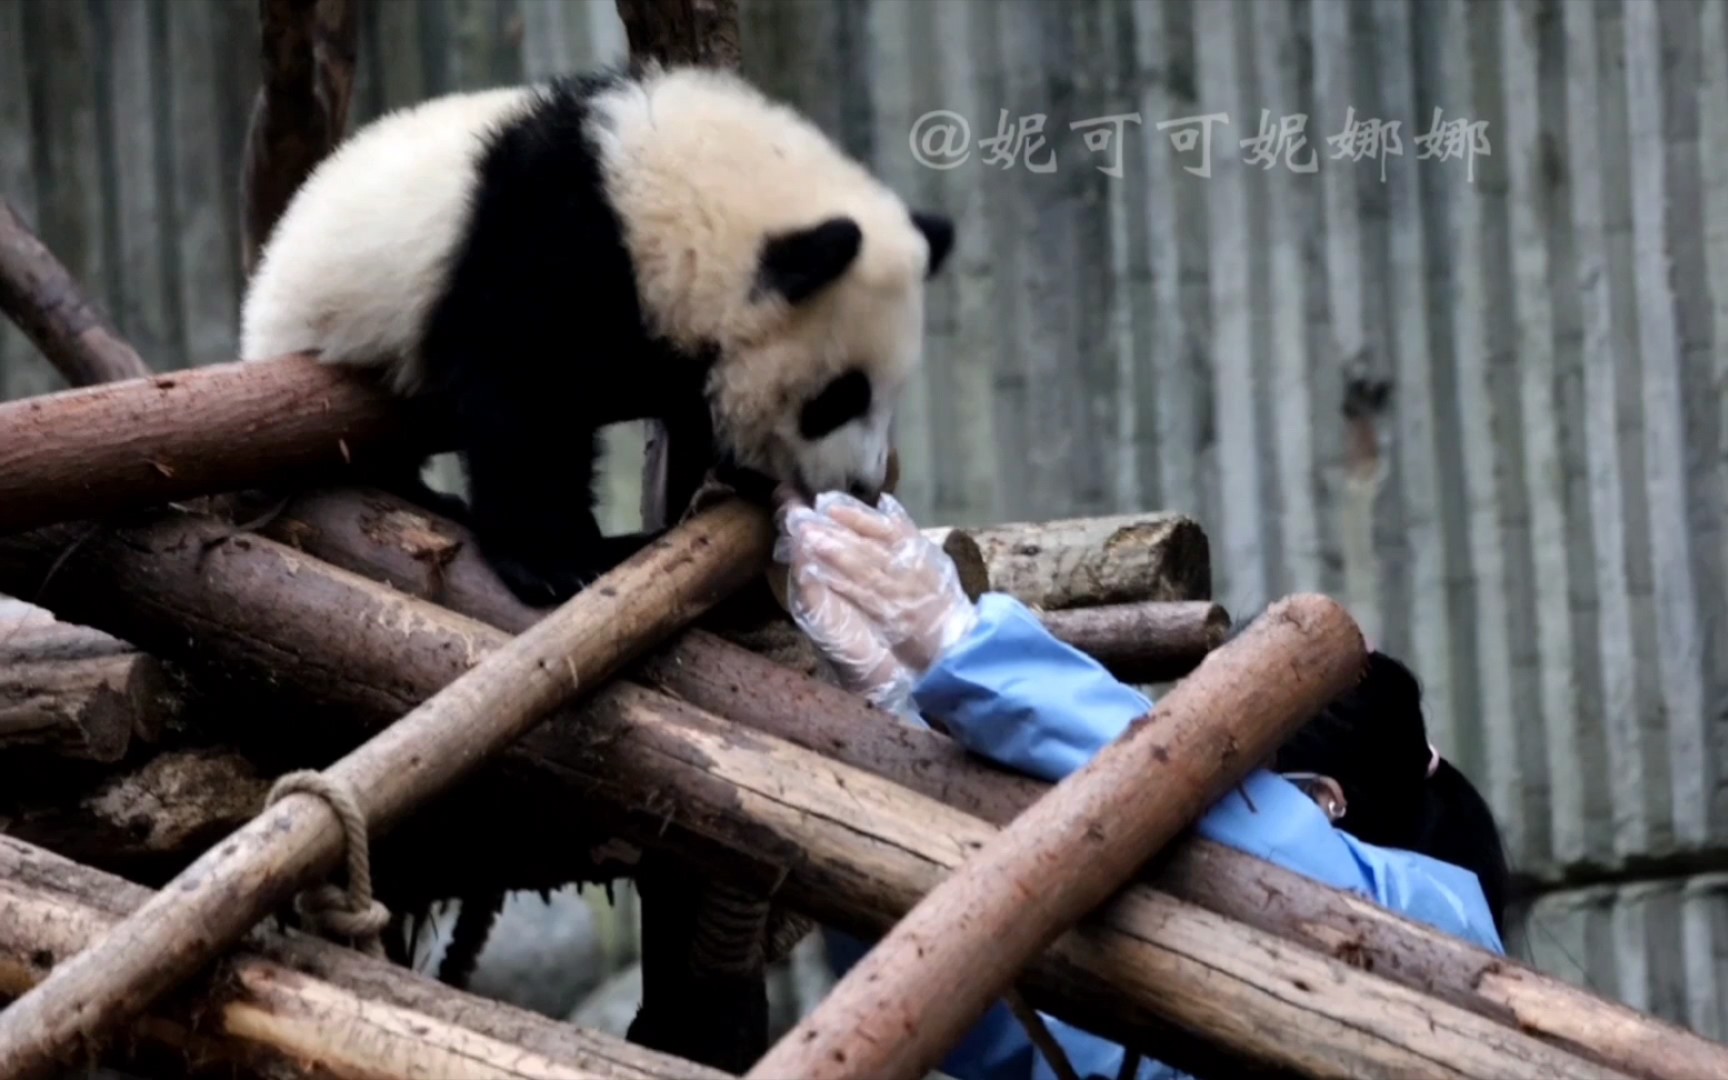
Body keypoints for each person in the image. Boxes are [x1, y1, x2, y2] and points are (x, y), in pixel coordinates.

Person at [774, 490, 1510, 1080]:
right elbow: (1016, 1044)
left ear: (1321, 799)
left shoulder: (1444, 926)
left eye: (1223, 757)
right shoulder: (1191, 969)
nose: (1181, 774)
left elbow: (1250, 831)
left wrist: (973, 653)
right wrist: (900, 754)